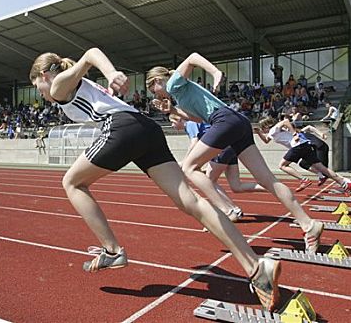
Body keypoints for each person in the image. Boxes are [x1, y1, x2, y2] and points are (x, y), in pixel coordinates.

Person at [30, 48, 281, 311]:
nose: (42, 95)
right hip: (147, 128)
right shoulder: (74, 83)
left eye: (38, 87)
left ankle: (112, 250)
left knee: (72, 183)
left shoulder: (57, 86)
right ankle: (256, 267)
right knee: (191, 201)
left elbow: (91, 54)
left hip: (121, 127)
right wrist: (108, 74)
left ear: (45, 75)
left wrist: (112, 72)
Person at [146, 52, 325, 257]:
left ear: (158, 80)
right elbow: (199, 117)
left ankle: (223, 209)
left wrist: (215, 73)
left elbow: (192, 57)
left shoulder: (173, 84)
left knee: (188, 167)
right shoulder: (177, 93)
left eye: (154, 89)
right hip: (237, 122)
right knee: (268, 179)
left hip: (224, 121)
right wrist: (173, 111)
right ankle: (308, 223)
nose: (155, 95)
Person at [255, 117, 350, 193]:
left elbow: (286, 121)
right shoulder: (272, 132)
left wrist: (294, 134)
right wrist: (258, 132)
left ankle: (304, 179)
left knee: (282, 165)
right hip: (305, 145)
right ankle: (343, 182)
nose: (262, 130)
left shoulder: (273, 129)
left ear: (266, 126)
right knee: (322, 168)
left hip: (298, 146)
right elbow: (266, 141)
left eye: (262, 128)